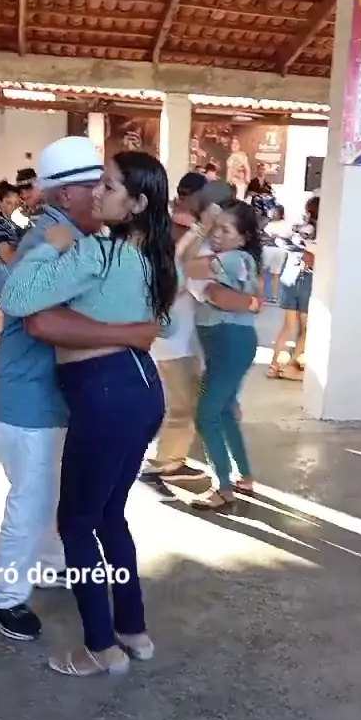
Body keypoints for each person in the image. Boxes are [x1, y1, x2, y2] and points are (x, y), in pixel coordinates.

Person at [0, 145, 179, 677]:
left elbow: (17, 299)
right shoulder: (154, 257)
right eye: (96, 183)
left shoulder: (97, 252)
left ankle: (101, 647)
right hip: (142, 391)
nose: (97, 193)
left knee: (76, 525)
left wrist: (49, 249)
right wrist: (123, 328)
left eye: (109, 186)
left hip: (103, 393)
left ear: (136, 203)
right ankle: (134, 632)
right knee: (109, 515)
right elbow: (161, 325)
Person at [183, 200, 261, 509]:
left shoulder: (234, 258)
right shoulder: (234, 258)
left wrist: (199, 232)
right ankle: (244, 477)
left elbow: (188, 266)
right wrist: (212, 293)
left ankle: (223, 487)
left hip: (229, 342)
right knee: (225, 411)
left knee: (206, 416)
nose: (217, 234)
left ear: (242, 238)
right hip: (225, 343)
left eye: (225, 230)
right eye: (216, 227)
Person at [143, 170, 208, 487]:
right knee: (182, 404)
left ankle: (169, 459)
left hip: (173, 332)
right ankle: (165, 463)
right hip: (173, 336)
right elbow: (188, 282)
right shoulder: (187, 235)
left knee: (181, 401)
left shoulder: (169, 229)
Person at [267, 196, 319, 380]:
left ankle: (273, 365)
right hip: (308, 279)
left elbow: (277, 236)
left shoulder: (298, 229)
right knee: (307, 328)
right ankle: (289, 367)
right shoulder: (320, 232)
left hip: (289, 276)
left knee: (288, 326)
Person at [0, 180, 20, 339]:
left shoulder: (12, 222)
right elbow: (7, 256)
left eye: (15, 203)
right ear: (0, 203)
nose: (12, 207)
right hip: (1, 271)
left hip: (7, 269)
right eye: (8, 202)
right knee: (11, 312)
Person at [260, 203, 292, 304]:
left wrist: (276, 236)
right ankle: (274, 296)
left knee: (263, 273)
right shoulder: (286, 225)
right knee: (275, 273)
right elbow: (289, 236)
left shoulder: (270, 224)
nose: (273, 214)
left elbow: (266, 235)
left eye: (274, 212)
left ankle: (262, 296)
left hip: (270, 249)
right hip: (280, 250)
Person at [12, 167, 43, 239]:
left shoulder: (52, 211)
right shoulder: (18, 216)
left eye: (28, 189)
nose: (24, 195)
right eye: (20, 191)